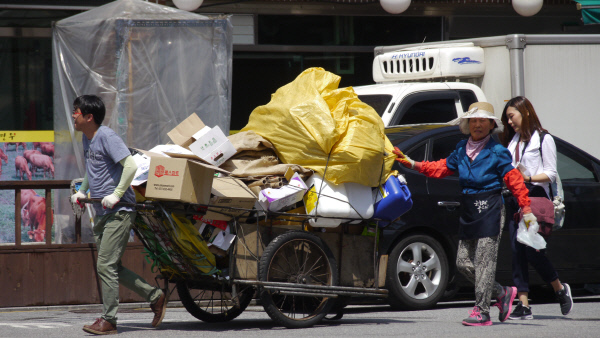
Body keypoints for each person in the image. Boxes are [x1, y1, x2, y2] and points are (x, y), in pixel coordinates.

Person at [393, 102, 535, 326]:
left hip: (490, 208)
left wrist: (526, 208)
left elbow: (513, 179)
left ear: (490, 125)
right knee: (462, 263)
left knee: (484, 262)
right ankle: (502, 292)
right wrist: (413, 164)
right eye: (473, 120)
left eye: (482, 121)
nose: (477, 124)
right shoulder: (461, 148)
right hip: (469, 209)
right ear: (468, 124)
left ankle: (482, 311)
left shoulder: (498, 151)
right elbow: (441, 168)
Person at [70, 95, 167, 335]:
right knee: (114, 267)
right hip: (102, 211)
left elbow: (131, 166)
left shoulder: (107, 136)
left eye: (77, 111)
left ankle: (109, 319)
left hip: (119, 210)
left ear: (89, 117)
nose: (73, 115)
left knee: (105, 264)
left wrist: (116, 194)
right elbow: (92, 170)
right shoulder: (87, 138)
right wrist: (82, 192)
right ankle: (155, 297)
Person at [500, 96, 573, 320]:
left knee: (533, 250)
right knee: (516, 252)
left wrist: (528, 177)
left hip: (534, 199)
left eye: (512, 117)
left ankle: (560, 289)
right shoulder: (513, 142)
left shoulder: (543, 138)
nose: (509, 122)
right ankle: (523, 305)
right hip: (514, 200)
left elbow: (550, 174)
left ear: (526, 112)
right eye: (507, 119)